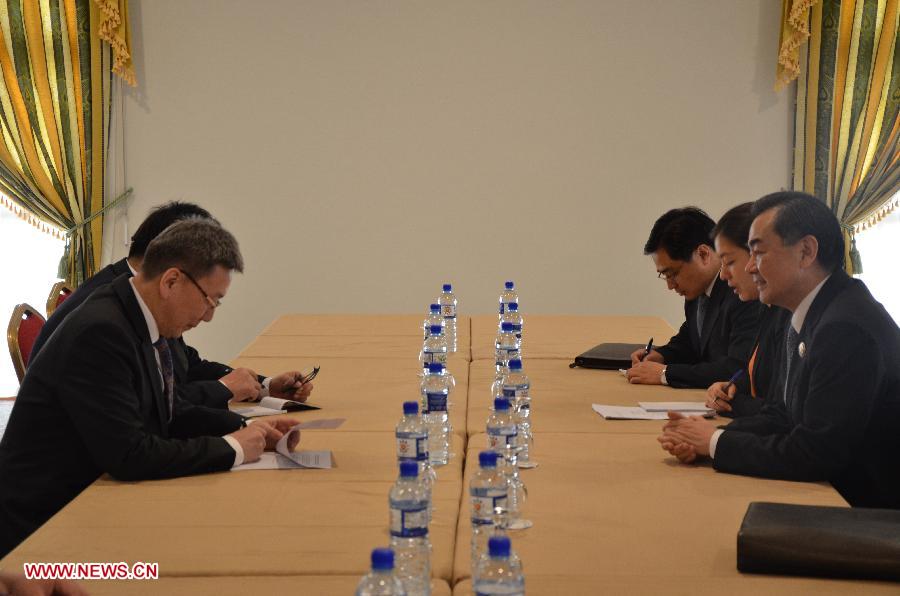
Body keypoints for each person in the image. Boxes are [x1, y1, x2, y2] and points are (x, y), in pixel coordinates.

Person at [0, 220, 300, 557]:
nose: (208, 317)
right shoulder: (100, 332)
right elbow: (130, 455)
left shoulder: (132, 314)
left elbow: (167, 412)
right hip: (45, 537)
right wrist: (234, 448)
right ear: (171, 281)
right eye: (210, 301)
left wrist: (248, 429)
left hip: (90, 501)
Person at [658, 191, 900, 508]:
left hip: (867, 516)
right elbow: (783, 414)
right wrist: (709, 437)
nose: (749, 269)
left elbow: (814, 453)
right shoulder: (815, 310)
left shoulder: (844, 327)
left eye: (758, 254)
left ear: (806, 252)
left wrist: (716, 442)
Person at [29, 201, 312, 408]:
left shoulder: (140, 292)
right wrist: (223, 390)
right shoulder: (108, 315)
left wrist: (263, 386)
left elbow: (183, 363)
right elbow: (149, 403)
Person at [627, 207, 763, 388]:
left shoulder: (743, 293)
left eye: (673, 273)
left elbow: (735, 369)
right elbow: (693, 338)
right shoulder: (698, 290)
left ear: (703, 254)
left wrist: (665, 374)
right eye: (665, 276)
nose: (670, 285)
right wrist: (662, 355)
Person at [704, 203, 791, 417]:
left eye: (729, 262)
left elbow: (785, 413)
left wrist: (734, 405)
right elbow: (762, 377)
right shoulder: (771, 309)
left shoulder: (795, 316)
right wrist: (733, 387)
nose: (723, 275)